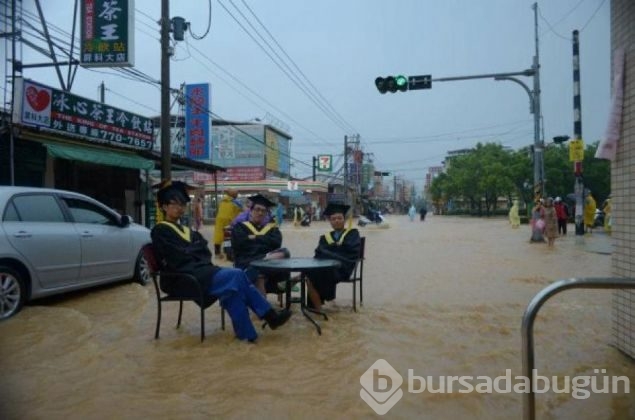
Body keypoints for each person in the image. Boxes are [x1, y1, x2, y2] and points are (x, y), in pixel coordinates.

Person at [150, 180, 291, 343]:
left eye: (182, 204)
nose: (180, 208)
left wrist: (191, 251)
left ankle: (248, 338)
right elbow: (177, 257)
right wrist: (193, 252)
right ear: (164, 207)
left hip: (200, 273)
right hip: (182, 278)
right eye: (174, 204)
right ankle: (270, 315)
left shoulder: (188, 231)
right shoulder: (160, 231)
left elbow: (204, 251)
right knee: (237, 275)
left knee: (232, 291)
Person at [306, 203, 361, 311]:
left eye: (339, 218)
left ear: (344, 220)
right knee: (311, 274)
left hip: (343, 269)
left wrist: (328, 252)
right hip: (326, 268)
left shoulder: (353, 234)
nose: (336, 221)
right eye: (333, 219)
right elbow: (318, 254)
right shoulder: (324, 237)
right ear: (330, 221)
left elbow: (351, 252)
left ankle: (316, 309)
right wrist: (333, 250)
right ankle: (317, 308)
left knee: (311, 274)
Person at [231, 194, 289, 295]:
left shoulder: (272, 229)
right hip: (247, 262)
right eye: (257, 209)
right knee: (260, 274)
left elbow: (276, 243)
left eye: (263, 211)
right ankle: (264, 306)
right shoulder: (240, 227)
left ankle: (263, 261)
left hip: (268, 263)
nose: (260, 213)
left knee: (285, 252)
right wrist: (264, 241)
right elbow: (239, 243)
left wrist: (253, 238)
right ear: (251, 211)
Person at [213, 189, 242, 258]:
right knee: (228, 238)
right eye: (236, 194)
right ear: (233, 194)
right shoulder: (236, 202)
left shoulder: (222, 201)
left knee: (218, 237)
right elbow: (241, 211)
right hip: (229, 221)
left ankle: (217, 253)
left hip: (219, 221)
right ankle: (228, 253)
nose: (237, 195)